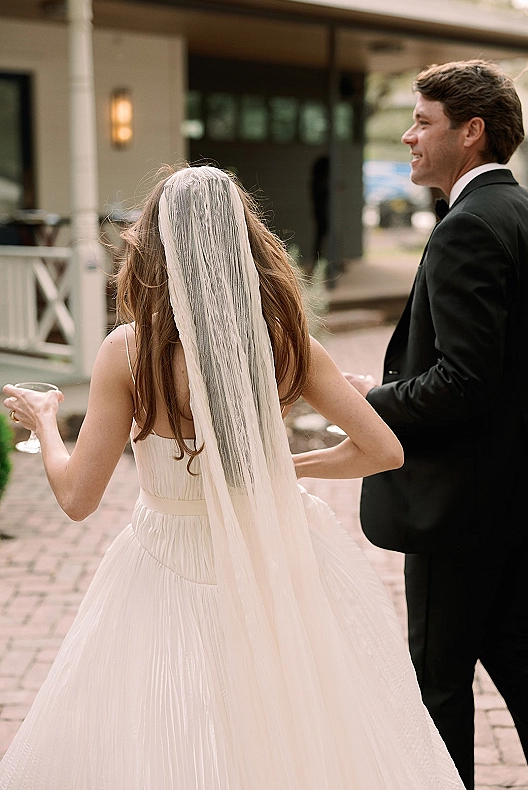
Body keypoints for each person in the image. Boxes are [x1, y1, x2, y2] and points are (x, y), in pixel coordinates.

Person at [1, 165, 465, 789]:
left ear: (158, 247)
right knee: (285, 720)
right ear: (246, 242)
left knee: (172, 726)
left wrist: (45, 420)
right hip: (276, 552)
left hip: (165, 559)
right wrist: (280, 470)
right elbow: (383, 451)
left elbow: (76, 498)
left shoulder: (129, 352)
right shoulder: (285, 342)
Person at [345, 60, 528, 790]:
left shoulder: (468, 227)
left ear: (471, 132)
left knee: (437, 679)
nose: (409, 137)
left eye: (423, 121)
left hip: (464, 502)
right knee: (515, 649)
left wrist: (370, 404)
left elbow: (465, 382)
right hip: (527, 493)